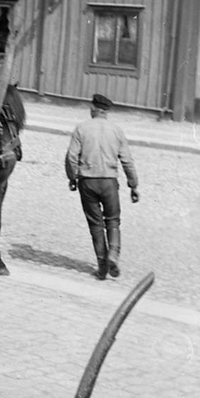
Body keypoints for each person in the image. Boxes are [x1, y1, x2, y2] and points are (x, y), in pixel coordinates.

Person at [65, 93, 139, 281]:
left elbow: (71, 157)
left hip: (87, 181)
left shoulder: (81, 128)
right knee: (113, 220)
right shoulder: (117, 130)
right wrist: (133, 185)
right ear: (106, 111)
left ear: (93, 108)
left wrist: (72, 178)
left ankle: (102, 266)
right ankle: (113, 254)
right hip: (109, 181)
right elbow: (127, 160)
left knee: (95, 224)